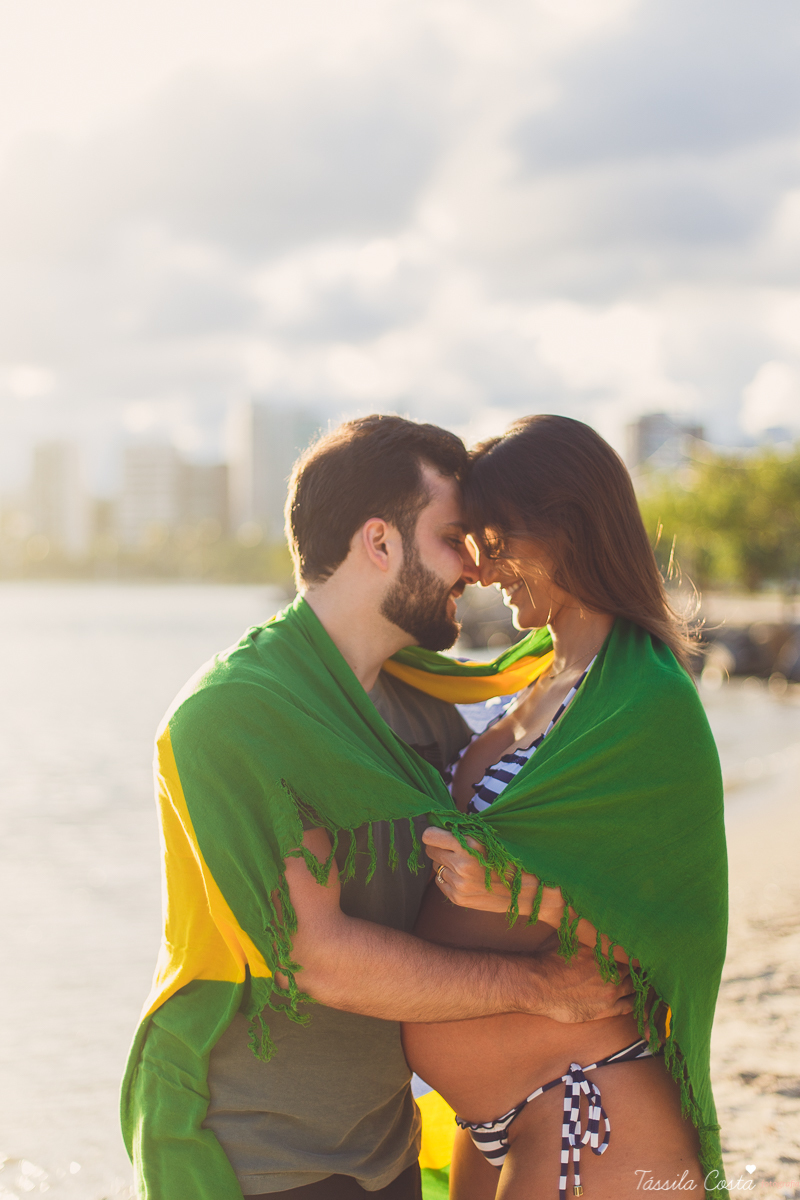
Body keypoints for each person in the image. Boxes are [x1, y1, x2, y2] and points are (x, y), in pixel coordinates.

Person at [121, 415, 634, 1200]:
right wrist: (539, 989)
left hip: (382, 1148)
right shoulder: (237, 715)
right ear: (379, 542)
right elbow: (318, 956)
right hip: (254, 1159)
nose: (474, 565)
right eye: (454, 536)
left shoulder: (423, 704)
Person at [403, 415, 728, 1200]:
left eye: (495, 538)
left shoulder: (646, 701)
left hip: (589, 1103)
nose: (481, 568)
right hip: (506, 1115)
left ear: (568, 529)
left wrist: (519, 891)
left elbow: (666, 925)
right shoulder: (534, 675)